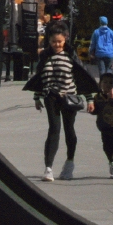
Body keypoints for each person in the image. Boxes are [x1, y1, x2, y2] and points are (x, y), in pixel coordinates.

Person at [30, 28, 89, 181]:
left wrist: (89, 99)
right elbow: (39, 78)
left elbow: (82, 78)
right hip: (51, 96)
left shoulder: (71, 55)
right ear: (49, 41)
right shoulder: (45, 56)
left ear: (65, 41)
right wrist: (37, 97)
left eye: (60, 42)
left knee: (69, 129)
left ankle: (69, 163)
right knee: (54, 129)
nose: (57, 44)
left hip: (69, 97)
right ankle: (48, 168)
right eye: (53, 41)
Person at [90, 72, 113, 180]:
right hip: (104, 126)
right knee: (106, 147)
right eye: (105, 82)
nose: (107, 85)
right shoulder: (97, 97)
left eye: (111, 83)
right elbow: (96, 111)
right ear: (100, 84)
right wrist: (92, 109)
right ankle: (111, 160)